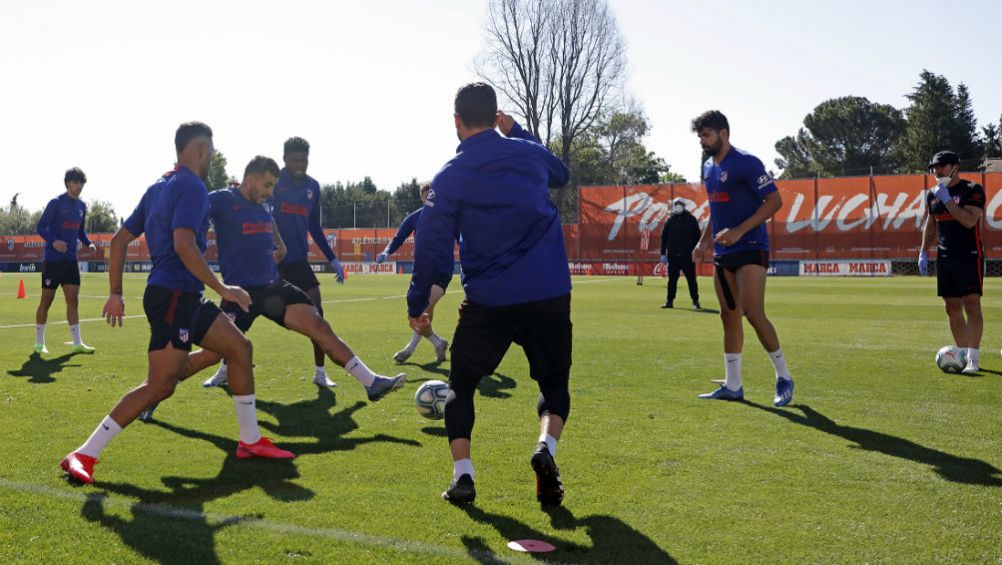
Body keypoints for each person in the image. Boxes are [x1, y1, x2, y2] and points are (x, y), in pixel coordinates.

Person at [59, 122, 294, 486]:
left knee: (239, 348)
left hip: (184, 295)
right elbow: (184, 245)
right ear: (200, 151)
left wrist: (117, 292)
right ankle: (85, 453)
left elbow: (119, 241)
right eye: (211, 154)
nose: (212, 160)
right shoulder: (192, 187)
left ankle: (250, 441)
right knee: (161, 384)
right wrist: (223, 287)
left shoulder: (158, 188)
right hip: (172, 297)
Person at [408, 82, 572, 506]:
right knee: (553, 383)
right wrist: (519, 133)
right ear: (496, 115)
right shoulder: (529, 153)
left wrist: (418, 304)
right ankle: (545, 448)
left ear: (457, 121)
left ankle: (463, 475)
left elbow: (433, 247)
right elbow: (562, 174)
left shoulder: (450, 175)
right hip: (548, 292)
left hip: (490, 300)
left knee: (461, 385)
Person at [142, 156, 405, 418]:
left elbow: (271, 221)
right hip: (240, 294)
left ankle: (371, 382)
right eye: (267, 186)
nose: (270, 193)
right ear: (250, 179)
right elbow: (190, 212)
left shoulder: (264, 203)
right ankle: (155, 393)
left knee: (318, 325)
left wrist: (280, 245)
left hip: (272, 287)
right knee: (210, 356)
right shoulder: (221, 199)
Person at [205, 137, 345, 388]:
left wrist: (332, 258)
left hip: (299, 262)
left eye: (304, 159)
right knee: (235, 319)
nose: (300, 164)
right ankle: (224, 368)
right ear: (284, 159)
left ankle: (320, 373)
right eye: (295, 159)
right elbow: (256, 208)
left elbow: (314, 225)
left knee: (318, 315)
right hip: (267, 264)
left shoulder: (313, 187)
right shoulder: (272, 182)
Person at [690, 110, 794, 407]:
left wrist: (738, 231)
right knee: (728, 316)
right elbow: (715, 209)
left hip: (750, 245)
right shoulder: (709, 167)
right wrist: (703, 241)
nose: (702, 141)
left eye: (707, 135)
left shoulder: (747, 163)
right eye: (700, 136)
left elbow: (774, 200)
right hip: (723, 253)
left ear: (723, 133)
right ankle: (733, 385)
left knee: (752, 311)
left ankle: (783, 376)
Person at [918, 150, 984, 374]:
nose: (937, 171)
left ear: (955, 166)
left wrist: (948, 201)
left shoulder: (972, 190)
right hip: (944, 257)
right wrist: (924, 251)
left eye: (942, 166)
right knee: (951, 307)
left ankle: (974, 359)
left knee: (972, 304)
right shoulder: (932, 194)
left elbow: (969, 220)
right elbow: (931, 223)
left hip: (969, 254)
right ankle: (964, 355)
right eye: (934, 167)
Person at [376, 181, 451, 364]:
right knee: (422, 313)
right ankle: (438, 343)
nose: (429, 199)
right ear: (421, 197)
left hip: (442, 270)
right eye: (426, 196)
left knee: (424, 310)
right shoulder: (414, 218)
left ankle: (411, 348)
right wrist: (386, 252)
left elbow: (463, 237)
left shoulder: (447, 216)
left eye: (432, 195)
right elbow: (398, 238)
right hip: (423, 272)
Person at [34, 167, 97, 354]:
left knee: (73, 300)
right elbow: (41, 227)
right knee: (47, 300)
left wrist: (89, 243)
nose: (79, 186)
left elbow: (80, 232)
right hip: (53, 261)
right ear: (68, 183)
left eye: (82, 183)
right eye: (76, 182)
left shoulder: (81, 206)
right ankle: (39, 343)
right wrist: (54, 242)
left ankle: (77, 343)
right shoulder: (56, 203)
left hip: (70, 261)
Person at [659, 197, 702, 310]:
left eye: (680, 204)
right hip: (673, 256)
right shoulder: (670, 220)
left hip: (688, 255)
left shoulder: (691, 219)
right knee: (672, 280)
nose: (678, 205)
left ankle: (695, 302)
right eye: (676, 204)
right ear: (674, 205)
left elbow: (698, 237)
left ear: (684, 206)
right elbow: (664, 238)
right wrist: (663, 253)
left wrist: (697, 251)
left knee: (691, 279)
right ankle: (669, 301)